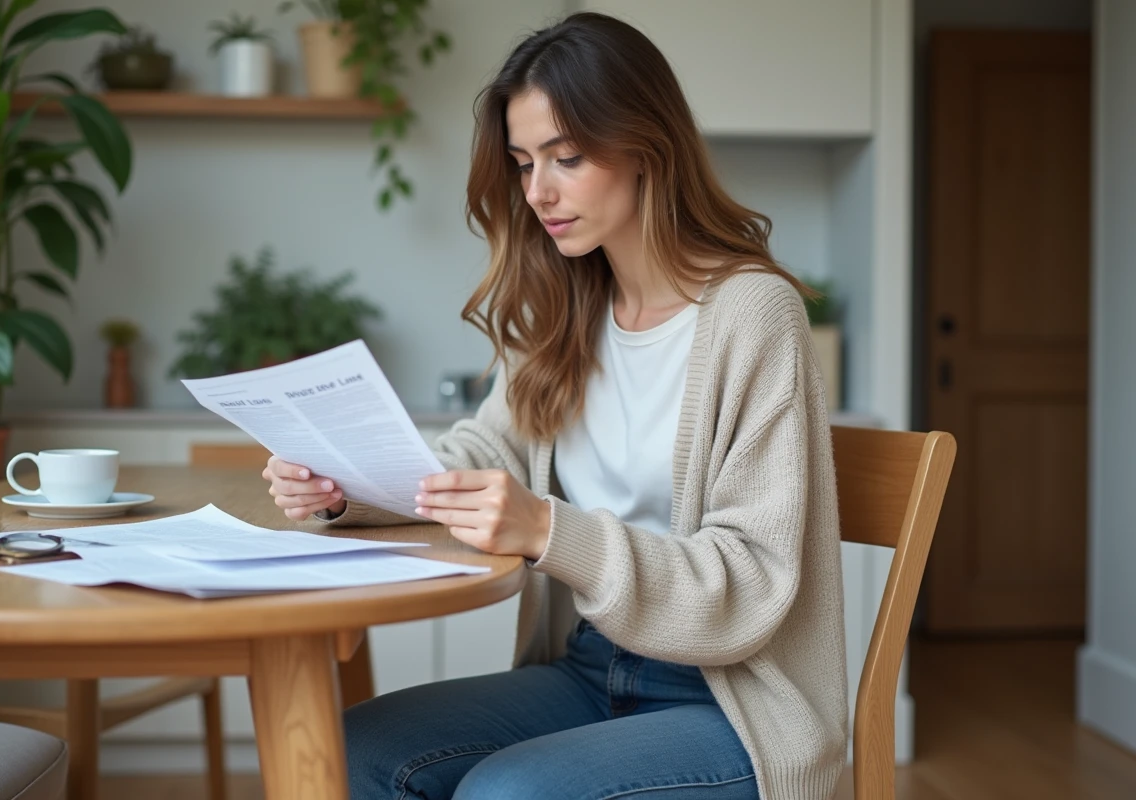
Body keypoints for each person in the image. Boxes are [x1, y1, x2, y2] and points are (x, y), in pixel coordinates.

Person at [262, 11, 847, 800]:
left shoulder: (753, 314)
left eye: (567, 158)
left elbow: (750, 578)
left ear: (648, 145)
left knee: (508, 792)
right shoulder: (570, 306)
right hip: (589, 666)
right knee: (347, 752)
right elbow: (486, 455)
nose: (538, 191)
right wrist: (349, 482)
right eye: (523, 162)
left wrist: (546, 529)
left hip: (733, 699)